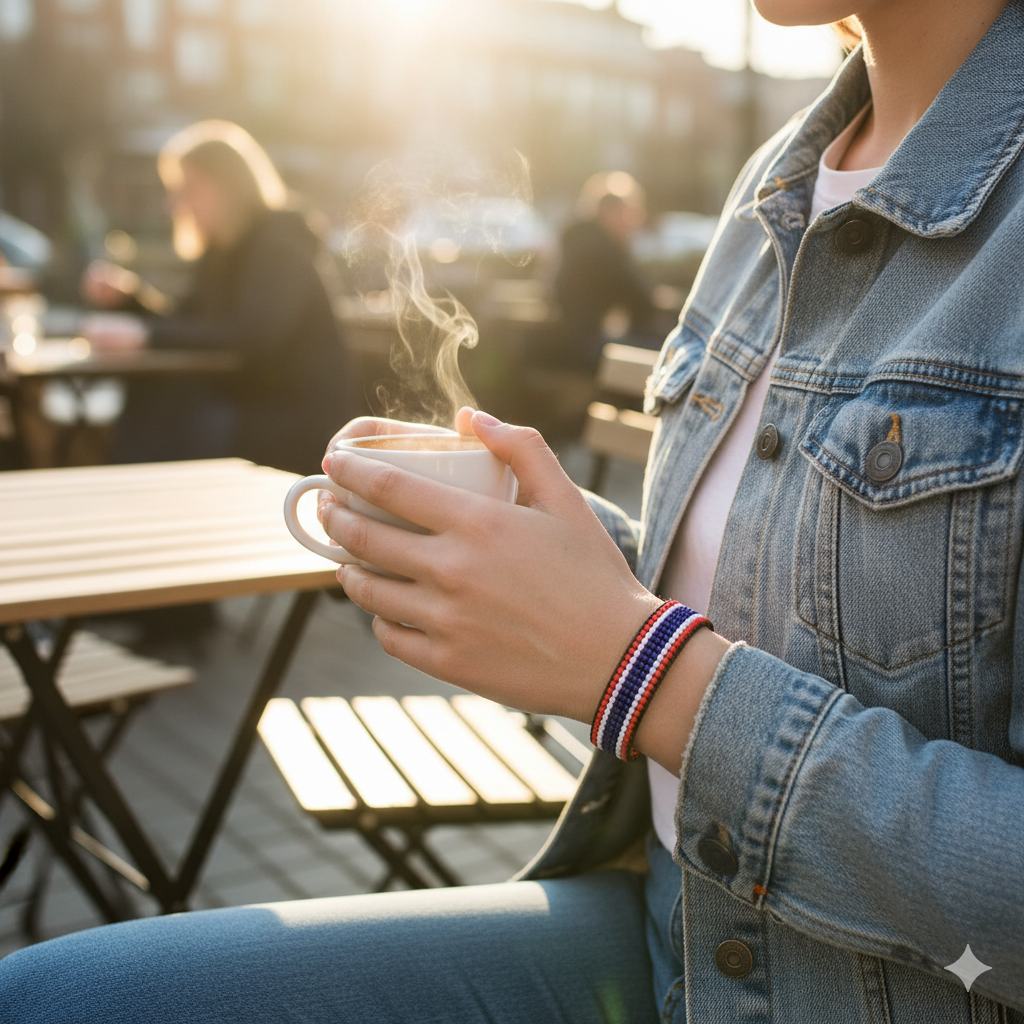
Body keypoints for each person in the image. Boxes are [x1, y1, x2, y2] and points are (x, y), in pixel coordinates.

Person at [4, 3, 1024, 1021]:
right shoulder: (777, 179)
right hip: (673, 930)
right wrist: (517, 533)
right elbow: (737, 586)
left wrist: (644, 673)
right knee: (54, 998)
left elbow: (662, 656)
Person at [81, 120, 351, 475]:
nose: (174, 203)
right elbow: (188, 322)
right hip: (245, 400)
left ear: (228, 188)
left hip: (294, 416)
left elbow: (253, 339)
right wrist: (130, 299)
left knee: (176, 416)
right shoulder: (220, 251)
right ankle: (132, 491)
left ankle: (134, 493)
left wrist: (146, 336)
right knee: (155, 399)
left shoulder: (279, 246)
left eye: (187, 189)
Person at [552, 171, 657, 373]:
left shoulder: (578, 240)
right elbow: (644, 302)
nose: (634, 222)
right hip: (587, 347)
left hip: (569, 341)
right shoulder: (601, 249)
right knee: (667, 353)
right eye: (630, 214)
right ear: (611, 213)